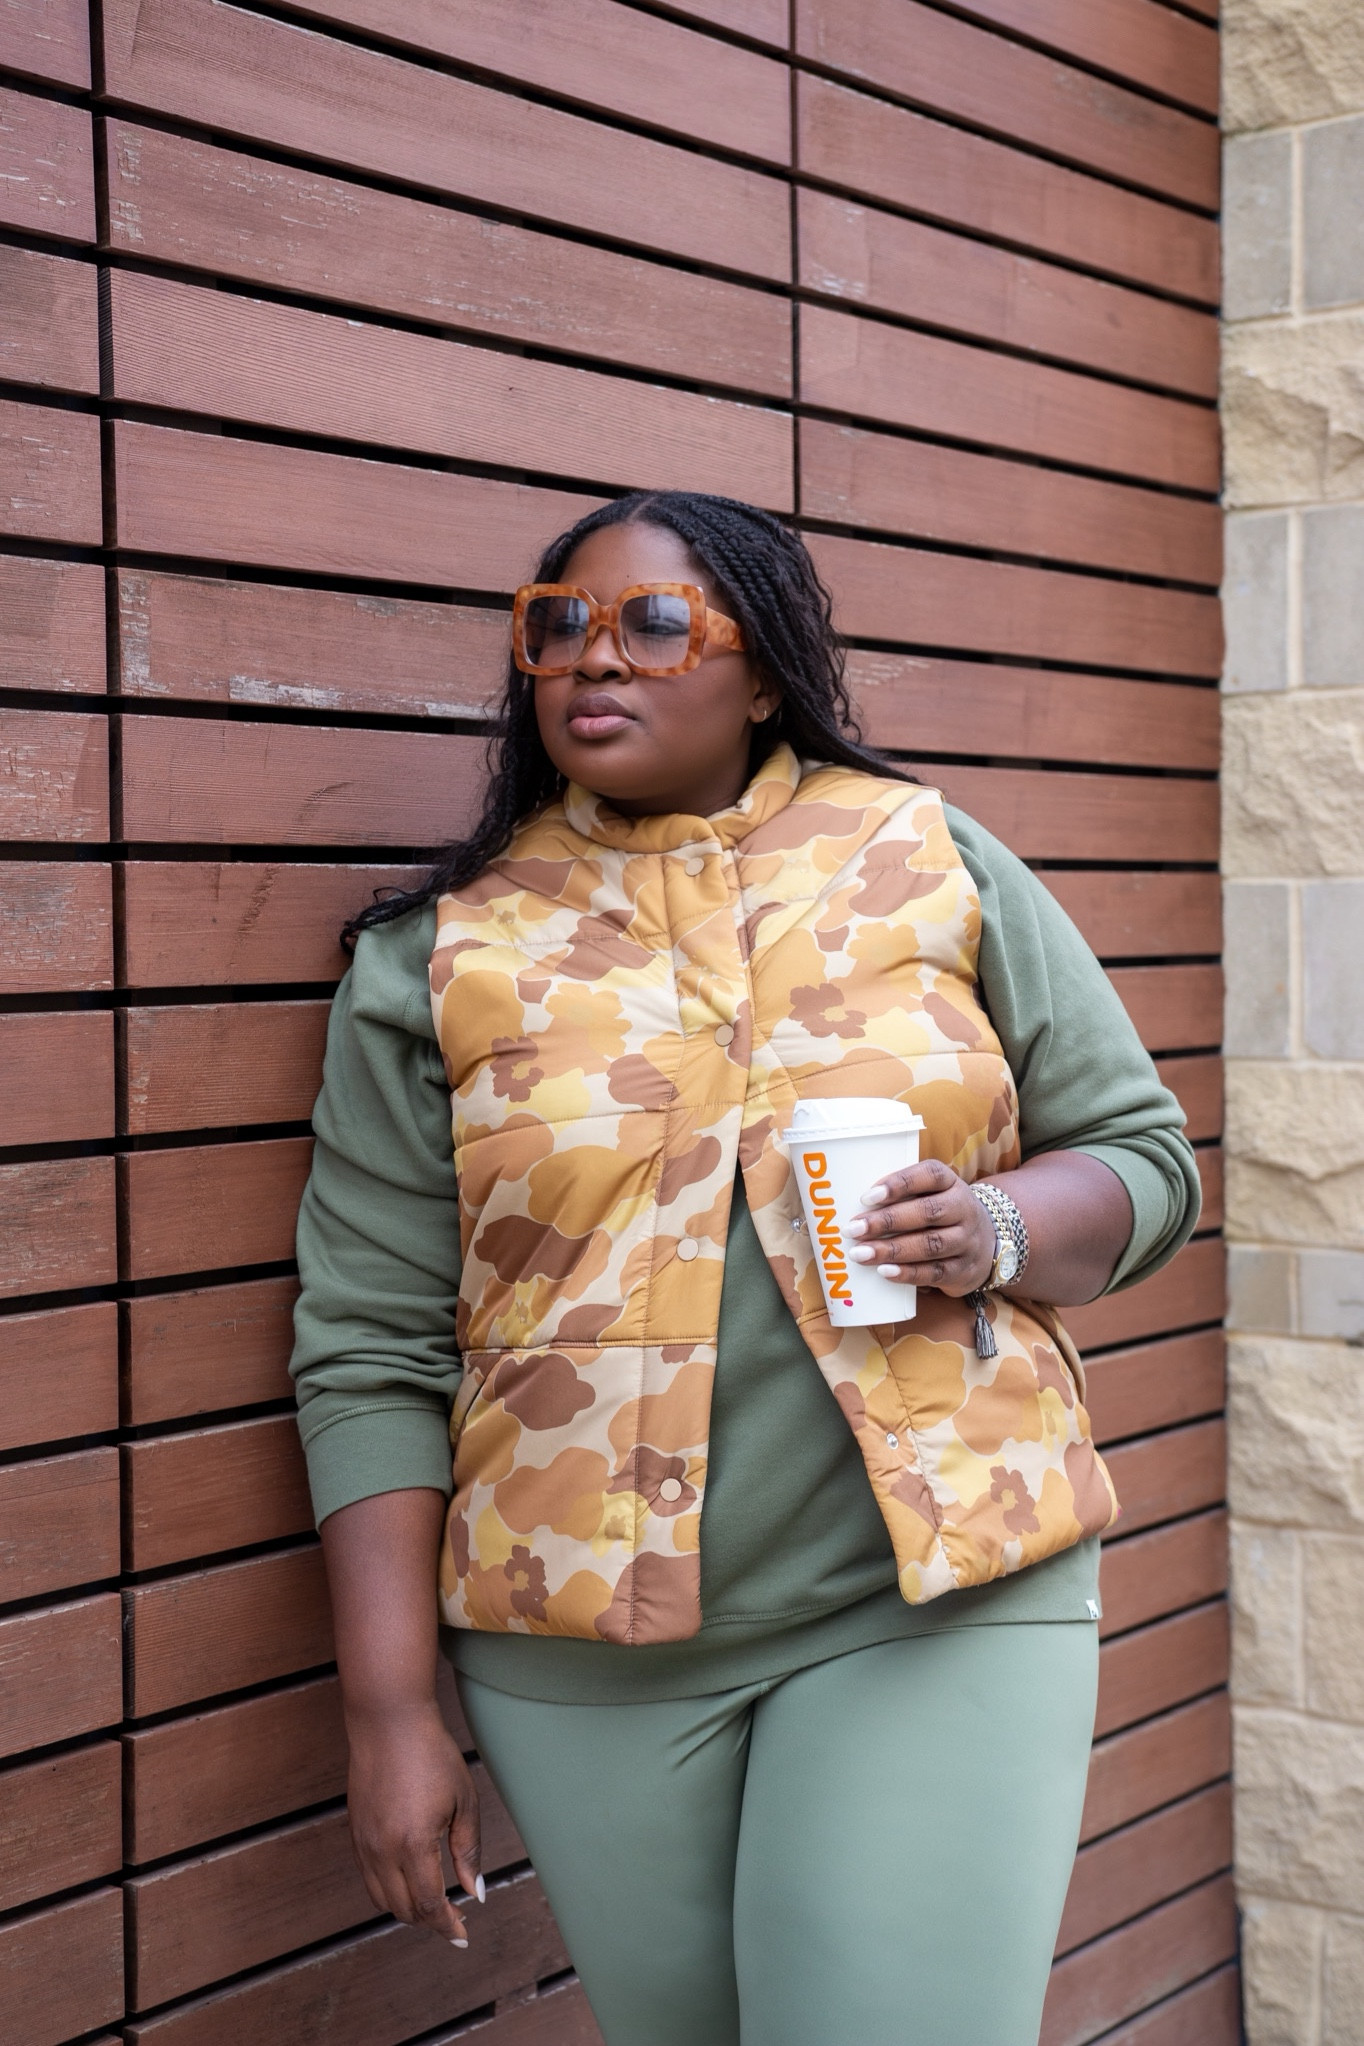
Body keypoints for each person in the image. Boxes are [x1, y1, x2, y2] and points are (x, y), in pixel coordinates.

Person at [291, 491, 1200, 2046]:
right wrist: (389, 1709)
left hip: (934, 1594)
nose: (597, 659)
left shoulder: (928, 857)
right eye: (557, 625)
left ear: (763, 670)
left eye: (655, 625)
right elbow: (368, 1345)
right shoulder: (440, 953)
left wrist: (988, 1231)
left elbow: (1143, 1159)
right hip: (579, 1654)